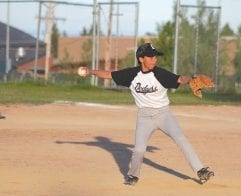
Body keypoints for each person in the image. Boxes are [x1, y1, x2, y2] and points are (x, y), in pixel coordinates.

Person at [80, 43, 214, 185]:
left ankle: (200, 170)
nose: (154, 60)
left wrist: (192, 79)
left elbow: (180, 79)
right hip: (144, 117)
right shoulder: (131, 75)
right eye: (150, 57)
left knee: (181, 139)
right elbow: (108, 74)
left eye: (155, 57)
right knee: (139, 149)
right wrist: (90, 71)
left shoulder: (160, 74)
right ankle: (133, 175)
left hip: (164, 114)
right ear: (141, 58)